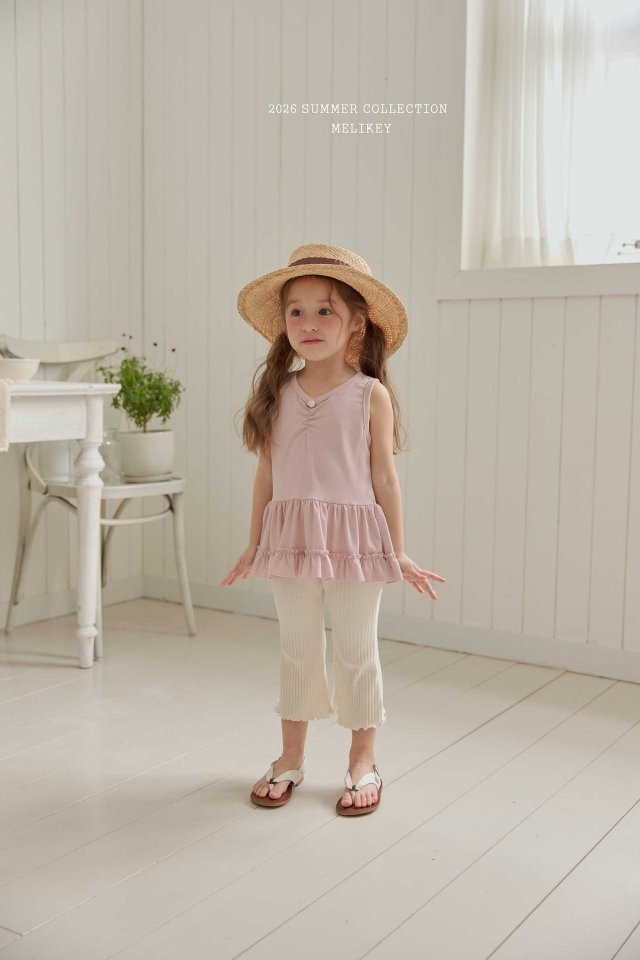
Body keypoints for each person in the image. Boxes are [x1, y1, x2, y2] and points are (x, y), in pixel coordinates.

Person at [221, 242, 446, 817]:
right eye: (296, 311)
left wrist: (397, 551)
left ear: (356, 323)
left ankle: (362, 761)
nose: (309, 323)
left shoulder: (370, 395)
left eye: (325, 310)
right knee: (297, 648)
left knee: (355, 650)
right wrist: (254, 543)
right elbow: (266, 475)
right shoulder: (276, 394)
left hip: (355, 543)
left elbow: (385, 479)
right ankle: (291, 757)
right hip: (289, 540)